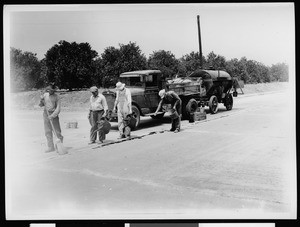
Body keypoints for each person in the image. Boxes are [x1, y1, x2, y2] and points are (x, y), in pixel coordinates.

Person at [39, 83, 64, 152]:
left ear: (54, 91)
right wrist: (41, 100)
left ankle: (59, 147)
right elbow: (41, 105)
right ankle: (50, 147)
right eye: (49, 90)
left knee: (57, 132)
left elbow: (58, 108)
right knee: (47, 131)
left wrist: (52, 115)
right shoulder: (45, 95)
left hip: (54, 114)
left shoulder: (57, 97)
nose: (50, 91)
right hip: (46, 114)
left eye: (51, 90)